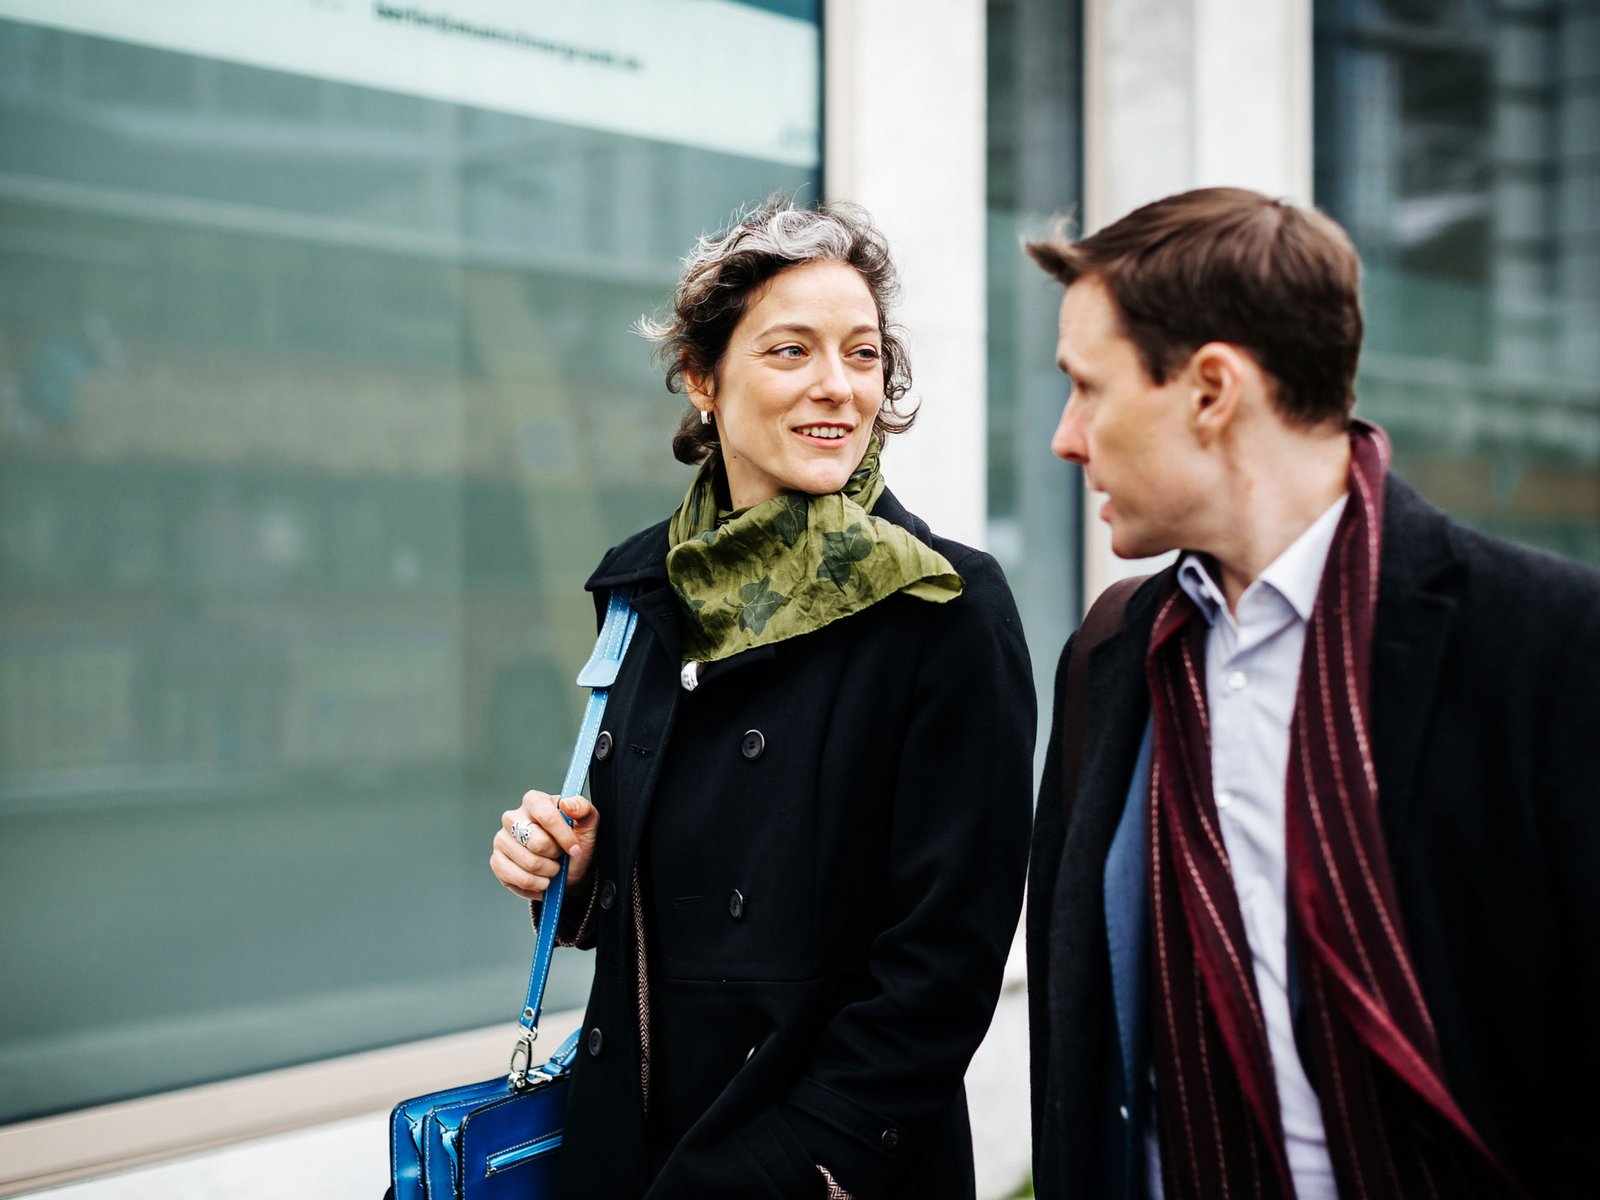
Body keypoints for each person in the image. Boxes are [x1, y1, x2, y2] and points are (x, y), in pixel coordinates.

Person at [1023, 187, 1600, 1199]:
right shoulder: (1109, 660)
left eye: (1087, 389)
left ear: (1211, 389)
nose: (1067, 438)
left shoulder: (1548, 644)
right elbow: (1082, 1057)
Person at [491, 200, 1035, 1199]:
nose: (838, 388)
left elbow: (944, 960)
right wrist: (569, 872)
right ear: (702, 377)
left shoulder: (940, 606)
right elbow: (656, 906)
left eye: (863, 356)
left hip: (807, 1168)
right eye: (791, 351)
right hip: (631, 1146)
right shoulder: (645, 590)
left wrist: (806, 1164)